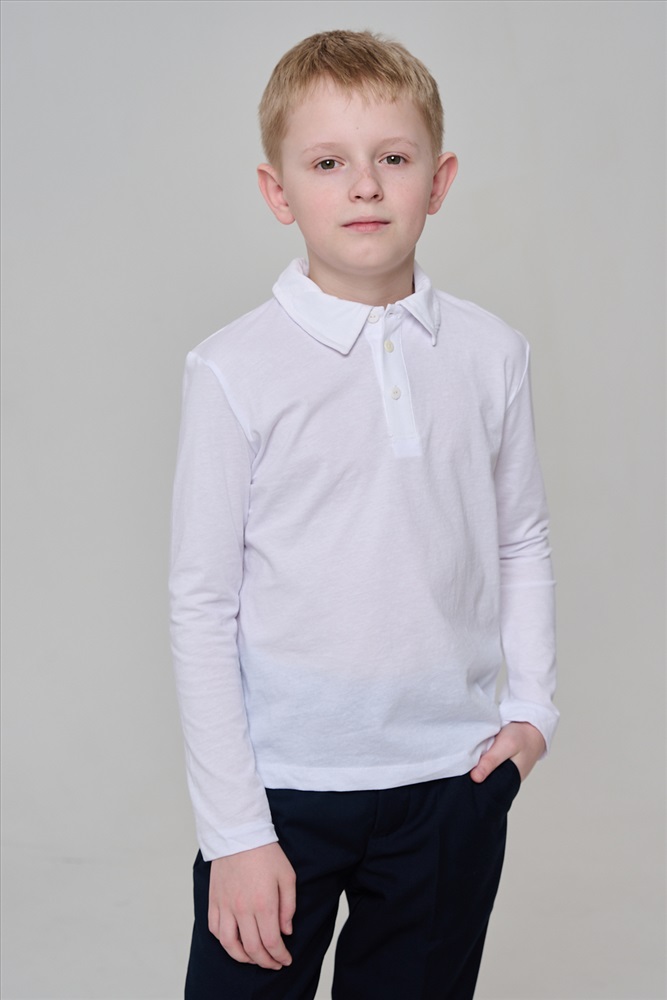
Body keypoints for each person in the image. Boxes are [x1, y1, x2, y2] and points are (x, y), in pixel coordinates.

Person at [170, 29, 558, 1000]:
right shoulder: (232, 370)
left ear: (438, 179)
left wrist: (532, 712)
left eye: (392, 157)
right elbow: (203, 604)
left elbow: (519, 539)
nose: (365, 187)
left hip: (450, 785)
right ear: (278, 192)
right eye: (327, 164)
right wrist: (235, 829)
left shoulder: (491, 353)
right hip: (282, 792)